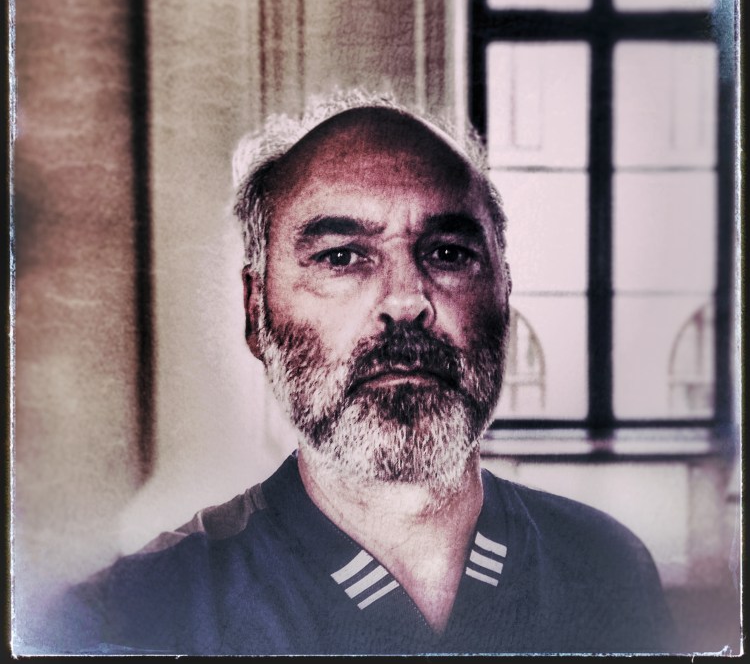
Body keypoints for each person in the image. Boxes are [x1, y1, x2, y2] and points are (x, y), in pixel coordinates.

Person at [46, 93, 675, 654]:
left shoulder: (607, 570)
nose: (406, 300)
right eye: (342, 257)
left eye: (448, 253)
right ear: (256, 310)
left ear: (503, 295)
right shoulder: (134, 615)